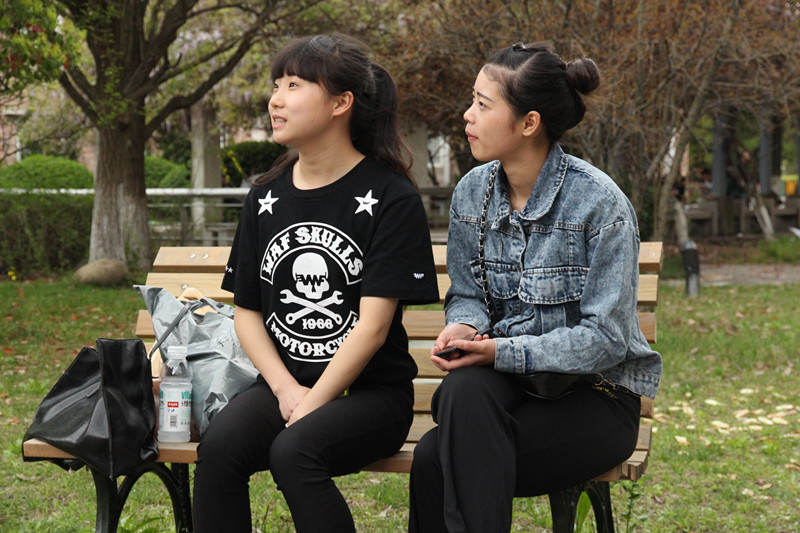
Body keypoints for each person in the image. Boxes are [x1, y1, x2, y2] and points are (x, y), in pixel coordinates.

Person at [408, 42, 662, 533]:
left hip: (595, 397)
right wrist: (465, 328)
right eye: (472, 100)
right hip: (509, 390)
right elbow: (469, 294)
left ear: (529, 123)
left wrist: (500, 351)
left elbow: (606, 340)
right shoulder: (472, 193)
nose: (468, 115)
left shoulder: (599, 204)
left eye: (483, 105)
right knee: (461, 393)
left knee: (436, 456)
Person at [192, 33, 440, 533]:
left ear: (340, 103)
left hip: (371, 397)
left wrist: (313, 402)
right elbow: (248, 312)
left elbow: (372, 328)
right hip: (282, 385)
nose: (275, 99)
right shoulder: (265, 196)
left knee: (294, 450)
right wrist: (286, 389)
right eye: (276, 85)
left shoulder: (390, 197)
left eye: (294, 85)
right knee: (219, 448)